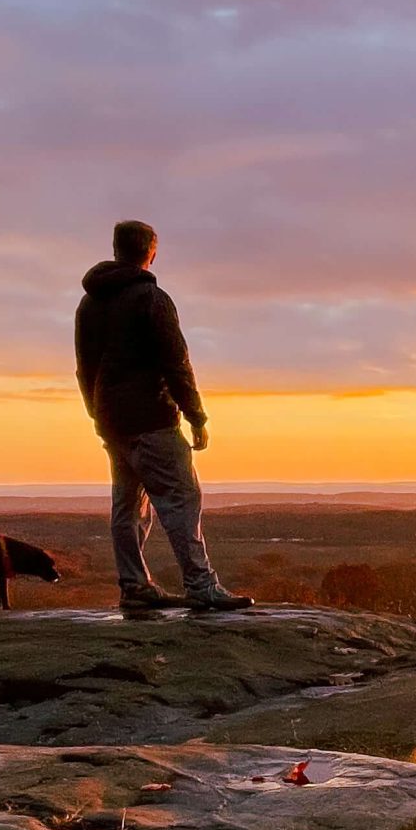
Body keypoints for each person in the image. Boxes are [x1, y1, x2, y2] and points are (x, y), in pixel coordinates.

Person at [75, 220, 253, 616]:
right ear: (151, 252)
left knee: (127, 505)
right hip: (151, 417)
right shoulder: (150, 298)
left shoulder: (89, 303)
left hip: (111, 421)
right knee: (180, 498)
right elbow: (176, 362)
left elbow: (83, 367)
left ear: (117, 249)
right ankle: (201, 586)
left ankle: (134, 586)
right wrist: (196, 415)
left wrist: (96, 412)